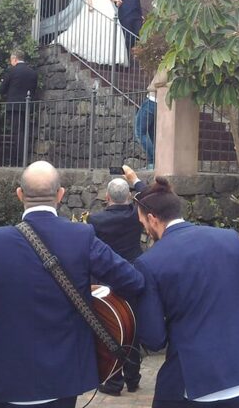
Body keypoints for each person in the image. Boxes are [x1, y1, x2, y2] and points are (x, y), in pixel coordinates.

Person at [0, 161, 145, 407]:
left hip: (4, 375)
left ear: (19, 195)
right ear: (60, 194)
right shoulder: (81, 236)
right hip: (62, 374)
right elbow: (132, 280)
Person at [133, 176, 239, 408]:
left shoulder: (149, 262)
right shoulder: (229, 239)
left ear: (152, 219)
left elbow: (154, 339)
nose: (144, 227)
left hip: (193, 383)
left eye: (142, 222)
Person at [89, 165, 147, 396]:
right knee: (131, 325)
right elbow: (149, 197)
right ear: (129, 197)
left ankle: (113, 380)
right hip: (132, 274)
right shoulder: (136, 214)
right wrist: (135, 180)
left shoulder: (95, 219)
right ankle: (133, 378)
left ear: (107, 197)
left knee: (110, 328)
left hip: (105, 280)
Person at [53, 0, 129, 66]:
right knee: (92, 28)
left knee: (111, 27)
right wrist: (90, 5)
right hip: (96, 3)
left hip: (107, 5)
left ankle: (109, 56)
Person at [0, 49, 38, 167]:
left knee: (16, 133)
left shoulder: (12, 71)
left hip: (14, 106)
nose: (11, 62)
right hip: (27, 106)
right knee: (24, 132)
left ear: (14, 59)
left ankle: (17, 160)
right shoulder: (32, 72)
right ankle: (24, 159)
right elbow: (33, 90)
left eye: (11, 60)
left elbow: (2, 89)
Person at [135, 71, 160, 169]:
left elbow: (154, 86)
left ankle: (152, 160)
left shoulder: (166, 66)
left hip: (152, 102)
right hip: (155, 103)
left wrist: (150, 87)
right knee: (151, 134)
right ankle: (152, 163)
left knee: (140, 132)